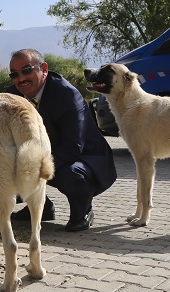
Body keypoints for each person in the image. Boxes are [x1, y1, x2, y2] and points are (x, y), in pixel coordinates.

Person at [6, 49, 117, 232]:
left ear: (44, 69)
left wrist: (32, 167)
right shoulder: (13, 95)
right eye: (14, 74)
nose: (21, 78)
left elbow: (72, 148)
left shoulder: (66, 94)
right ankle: (43, 207)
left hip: (83, 158)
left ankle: (83, 209)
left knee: (70, 174)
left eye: (27, 70)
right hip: (45, 154)